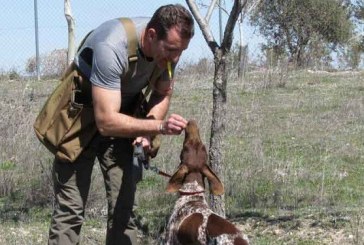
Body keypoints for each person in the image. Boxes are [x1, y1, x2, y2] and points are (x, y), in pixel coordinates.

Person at [48, 4, 194, 245]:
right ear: (151, 35)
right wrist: (157, 127)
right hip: (80, 121)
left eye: (181, 51)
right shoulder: (111, 45)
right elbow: (106, 121)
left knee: (125, 207)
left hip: (125, 119)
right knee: (70, 211)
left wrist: (146, 130)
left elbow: (162, 93)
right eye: (171, 50)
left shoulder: (168, 52)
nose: (175, 58)